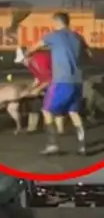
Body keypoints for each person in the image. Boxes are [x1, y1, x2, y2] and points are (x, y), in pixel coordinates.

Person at [25, 12, 92, 155]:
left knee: (46, 110)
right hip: (77, 81)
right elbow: (89, 55)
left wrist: (26, 54)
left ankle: (52, 144)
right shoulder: (78, 37)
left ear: (57, 22)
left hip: (62, 80)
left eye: (53, 22)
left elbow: (33, 47)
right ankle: (82, 146)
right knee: (74, 112)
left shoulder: (53, 36)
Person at [13, 46, 58, 133]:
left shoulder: (39, 60)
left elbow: (50, 79)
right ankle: (32, 127)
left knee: (48, 104)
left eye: (23, 60)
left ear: (28, 56)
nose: (23, 63)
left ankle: (52, 127)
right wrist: (29, 89)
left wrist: (38, 90)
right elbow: (37, 79)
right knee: (34, 101)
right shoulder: (30, 63)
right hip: (48, 81)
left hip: (57, 81)